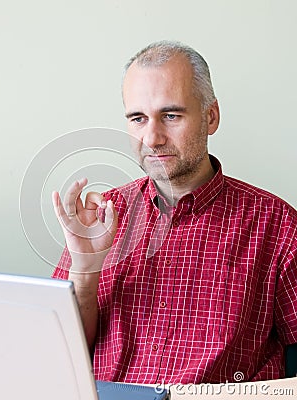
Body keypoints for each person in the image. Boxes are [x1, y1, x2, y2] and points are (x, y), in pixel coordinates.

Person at [51, 40, 297, 385]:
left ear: (210, 117)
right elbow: (56, 352)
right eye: (138, 118)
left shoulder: (278, 225)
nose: (152, 137)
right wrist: (84, 271)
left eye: (171, 115)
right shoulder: (101, 216)